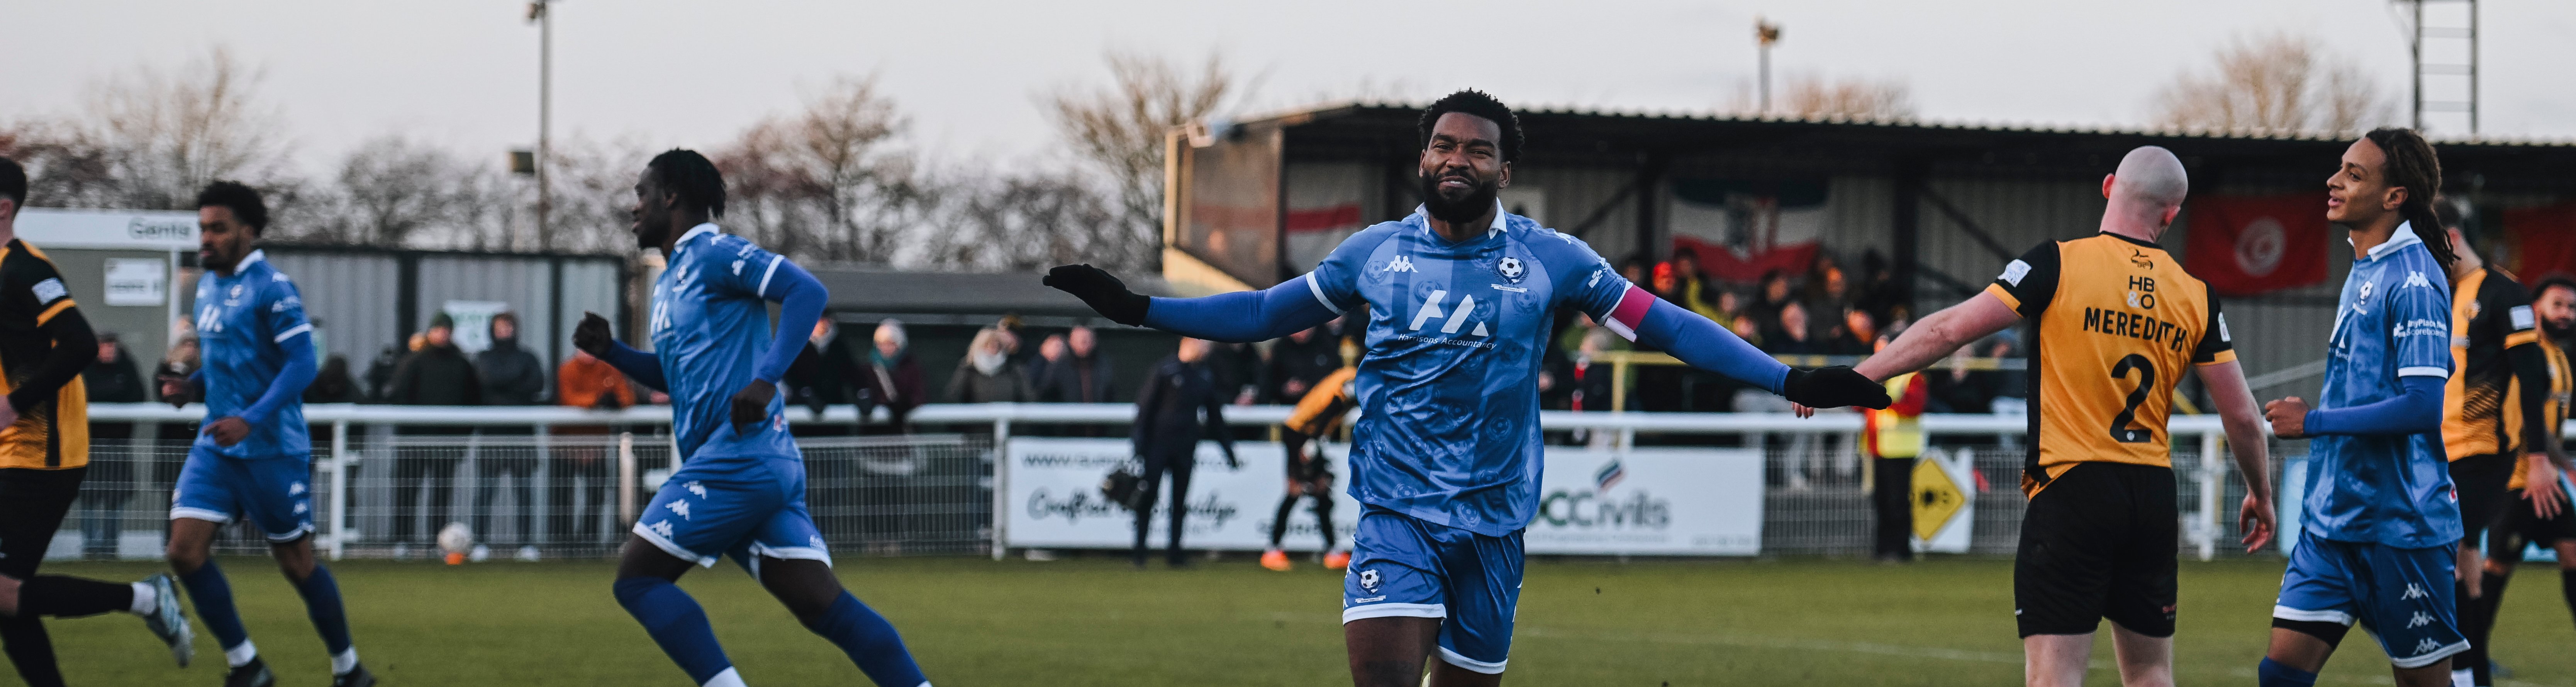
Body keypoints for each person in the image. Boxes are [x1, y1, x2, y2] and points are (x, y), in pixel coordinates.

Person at [1043, 90, 1885, 685]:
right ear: (1422, 159)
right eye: (1444, 145)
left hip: (1493, 521)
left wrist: (1787, 376)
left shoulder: (1553, 260)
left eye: (1477, 149)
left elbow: (1664, 324)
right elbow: (1265, 311)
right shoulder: (1372, 253)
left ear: (1503, 170)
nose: (1457, 158)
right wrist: (1139, 308)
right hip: (1395, 510)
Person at [1855, 146, 2275, 687]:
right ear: (2170, 215)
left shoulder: (2056, 263)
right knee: (2150, 672)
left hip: (2072, 487)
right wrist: (2259, 492)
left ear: (2108, 186)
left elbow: (1947, 331)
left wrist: (1859, 374)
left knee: (2053, 677)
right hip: (2151, 492)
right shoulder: (2196, 295)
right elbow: (2241, 415)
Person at [573, 149, 930, 687]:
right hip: (758, 463)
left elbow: (806, 291)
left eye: (641, 194)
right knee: (824, 607)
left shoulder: (714, 252)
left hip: (737, 458)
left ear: (671, 195)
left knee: (639, 580)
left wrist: (766, 379)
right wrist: (614, 353)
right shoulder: (670, 281)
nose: (634, 207)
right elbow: (678, 375)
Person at [2254, 128, 2468, 687]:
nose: (2333, 181)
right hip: (2330, 524)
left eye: (2353, 174)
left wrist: (2312, 422)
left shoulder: (2413, 279)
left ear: (2394, 196)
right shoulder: (2365, 266)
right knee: (2279, 674)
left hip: (2401, 528)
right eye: (2339, 168)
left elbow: (2421, 407)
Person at [161, 180, 373, 687]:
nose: (206, 238)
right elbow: (228, 359)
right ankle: (247, 664)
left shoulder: (273, 287)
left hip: (271, 449)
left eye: (218, 228)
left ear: (248, 232)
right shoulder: (207, 285)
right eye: (203, 228)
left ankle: (349, 669)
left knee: (296, 563)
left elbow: (302, 364)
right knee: (183, 551)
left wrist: (250, 419)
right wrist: (193, 386)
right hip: (217, 445)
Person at [0, 157, 193, 686]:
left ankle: (146, 597)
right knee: (9, 596)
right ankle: (145, 598)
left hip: (45, 450)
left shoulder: (25, 269)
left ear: (4, 208)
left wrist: (15, 404)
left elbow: (81, 342)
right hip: (15, 449)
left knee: (5, 590)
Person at [2426, 200, 2556, 687]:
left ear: (2451, 239)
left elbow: (2530, 378)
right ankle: (2472, 674)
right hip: (2436, 454)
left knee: (2455, 561)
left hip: (2483, 453)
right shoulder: (2440, 294)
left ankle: (2462, 673)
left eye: (2427, 247)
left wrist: (2537, 457)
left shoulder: (2504, 293)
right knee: (2461, 569)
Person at [2462, 276, 2576, 687]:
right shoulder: (2527, 354)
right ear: (2535, 307)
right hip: (2518, 482)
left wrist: (2564, 465)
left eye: (2571, 307)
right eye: (2557, 304)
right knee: (2491, 570)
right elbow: (2525, 418)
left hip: (2547, 480)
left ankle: (2473, 655)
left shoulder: (2559, 357)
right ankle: (2472, 657)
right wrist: (2547, 463)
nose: (2565, 314)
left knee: (2571, 556)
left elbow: (2547, 424)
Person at [1128, 338, 1240, 568]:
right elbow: (1145, 409)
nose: (1208, 349)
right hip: (1157, 446)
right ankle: (1140, 554)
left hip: (1186, 447)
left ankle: (1175, 555)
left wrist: (1227, 448)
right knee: (1148, 498)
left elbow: (1214, 416)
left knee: (1180, 502)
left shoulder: (1204, 376)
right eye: (1204, 344)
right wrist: (1139, 444)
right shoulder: (1165, 371)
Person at [382, 312, 480, 555]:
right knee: (407, 491)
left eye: (446, 330)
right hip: (413, 441)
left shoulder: (462, 365)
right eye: (438, 330)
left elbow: (472, 400)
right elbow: (399, 396)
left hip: (448, 442)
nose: (442, 334)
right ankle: (402, 541)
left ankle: (438, 543)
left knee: (441, 495)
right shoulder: (414, 362)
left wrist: (462, 438)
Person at [1265, 338, 1358, 572]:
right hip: (1301, 433)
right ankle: (1273, 549)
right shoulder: (1353, 379)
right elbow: (1333, 406)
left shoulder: (1349, 375)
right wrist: (1315, 441)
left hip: (1307, 433)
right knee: (1296, 489)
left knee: (1321, 490)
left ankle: (1332, 551)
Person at [473, 311, 547, 561]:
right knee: (485, 491)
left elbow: (537, 383)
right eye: (500, 327)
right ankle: (479, 543)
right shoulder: (484, 357)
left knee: (524, 491)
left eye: (508, 327)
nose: (504, 331)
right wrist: (516, 380)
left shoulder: (528, 357)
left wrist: (502, 384)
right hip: (492, 435)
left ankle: (526, 544)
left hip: (521, 435)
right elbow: (485, 379)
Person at [551, 348, 634, 548]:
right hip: (566, 444)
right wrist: (597, 400)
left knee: (596, 495)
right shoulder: (568, 370)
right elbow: (568, 398)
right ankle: (563, 543)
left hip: (596, 445)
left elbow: (627, 396)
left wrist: (616, 402)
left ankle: (589, 541)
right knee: (562, 496)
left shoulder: (609, 369)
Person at [1863, 327, 1927, 563]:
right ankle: (1883, 549)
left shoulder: (1911, 377)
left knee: (1897, 501)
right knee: (1881, 500)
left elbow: (1914, 407)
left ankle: (1900, 549)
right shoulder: (1877, 376)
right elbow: (1858, 405)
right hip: (1878, 447)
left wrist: (1879, 397)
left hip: (1900, 449)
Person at [81, 332, 146, 558]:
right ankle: (90, 546)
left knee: (115, 496)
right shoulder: (86, 368)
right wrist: (113, 391)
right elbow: (83, 395)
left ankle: (110, 546)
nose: (108, 352)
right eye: (104, 347)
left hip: (119, 445)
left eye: (112, 347)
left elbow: (138, 395)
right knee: (88, 496)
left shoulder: (127, 368)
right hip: (90, 445)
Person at [858, 319, 925, 434]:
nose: (886, 348)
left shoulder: (911, 367)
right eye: (882, 344)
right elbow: (864, 392)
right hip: (875, 432)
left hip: (900, 432)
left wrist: (904, 405)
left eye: (891, 344)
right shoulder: (868, 369)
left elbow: (919, 395)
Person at [943, 327, 1032, 403]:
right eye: (988, 344)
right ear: (979, 346)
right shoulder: (968, 369)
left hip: (1007, 417)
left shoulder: (1014, 369)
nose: (993, 348)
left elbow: (1028, 398)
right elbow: (953, 397)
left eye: (998, 345)